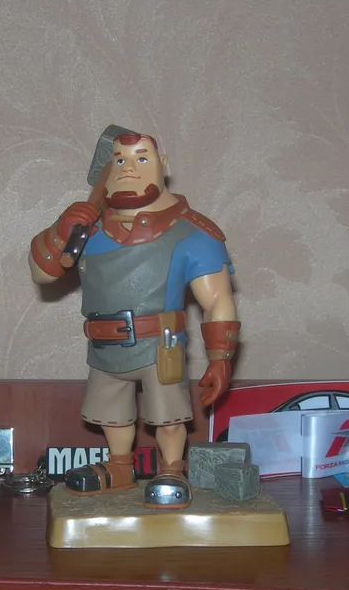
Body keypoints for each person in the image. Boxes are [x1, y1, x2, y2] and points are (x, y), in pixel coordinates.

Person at [28, 132, 239, 509]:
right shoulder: (89, 230)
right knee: (110, 414)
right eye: (120, 160)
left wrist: (220, 357)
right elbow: (43, 274)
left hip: (160, 345)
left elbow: (217, 299)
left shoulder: (191, 233)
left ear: (163, 164)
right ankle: (119, 465)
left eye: (142, 158)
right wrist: (60, 233)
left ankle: (171, 468)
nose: (129, 168)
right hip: (104, 344)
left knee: (168, 416)